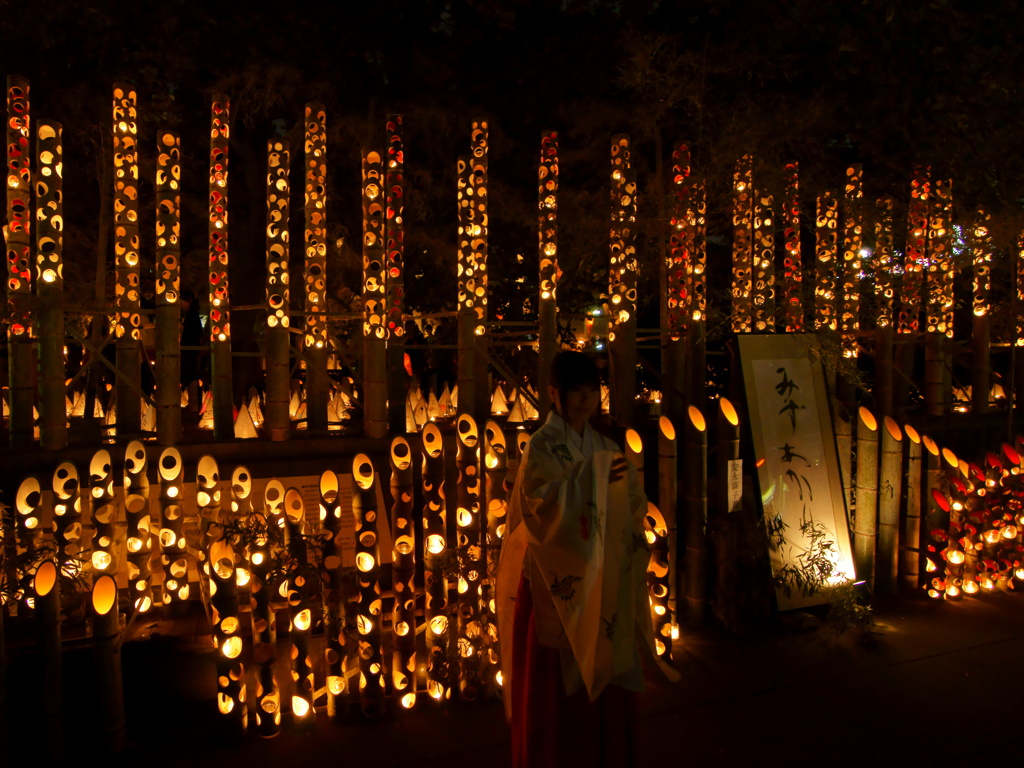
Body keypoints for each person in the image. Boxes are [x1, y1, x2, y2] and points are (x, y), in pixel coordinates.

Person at [496, 351, 678, 768]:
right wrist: (592, 480)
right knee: (558, 691)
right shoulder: (542, 447)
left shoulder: (605, 445)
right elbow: (541, 509)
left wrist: (624, 515)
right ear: (554, 395)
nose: (585, 400)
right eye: (576, 391)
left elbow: (631, 502)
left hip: (602, 577)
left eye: (591, 390)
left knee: (606, 675)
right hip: (554, 578)